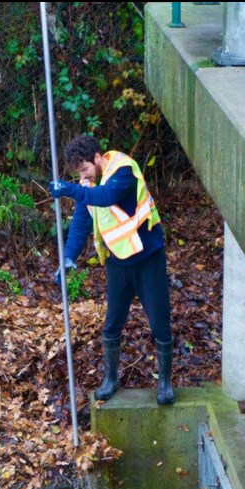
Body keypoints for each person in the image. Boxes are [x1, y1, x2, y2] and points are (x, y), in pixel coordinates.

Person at [50, 134, 174, 405]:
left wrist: (70, 190)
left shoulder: (123, 169)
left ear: (97, 158)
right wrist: (68, 257)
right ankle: (111, 380)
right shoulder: (88, 184)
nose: (83, 175)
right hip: (118, 262)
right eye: (78, 172)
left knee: (159, 321)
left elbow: (107, 197)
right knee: (112, 323)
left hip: (147, 258)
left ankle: (164, 383)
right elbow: (81, 221)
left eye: (84, 168)